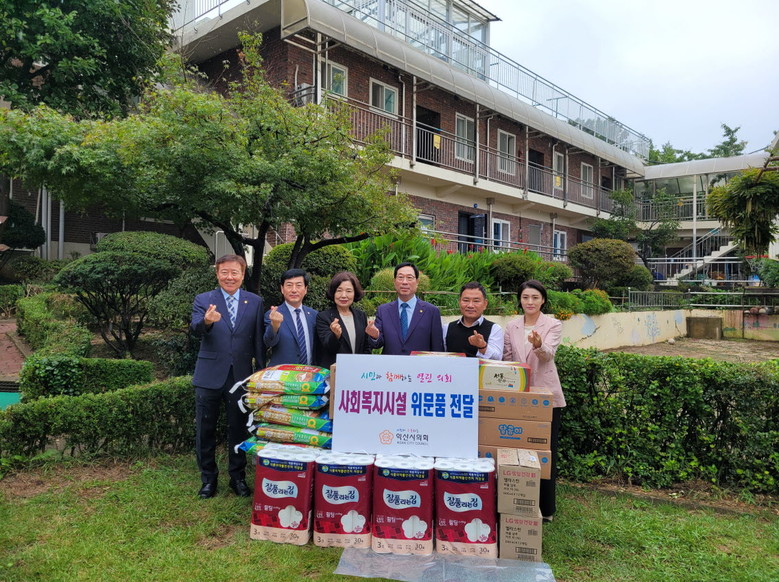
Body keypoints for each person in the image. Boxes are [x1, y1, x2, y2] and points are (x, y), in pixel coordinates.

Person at [190, 254, 265, 499]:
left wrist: (260, 372)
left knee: (239, 429)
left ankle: (237, 477)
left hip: (240, 376)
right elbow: (194, 330)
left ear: (242, 275)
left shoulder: (255, 302)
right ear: (217, 274)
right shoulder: (204, 300)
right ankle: (208, 479)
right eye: (224, 272)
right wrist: (207, 321)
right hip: (209, 375)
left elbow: (258, 340)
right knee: (205, 429)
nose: (229, 277)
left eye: (235, 272)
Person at [503, 279, 566, 522]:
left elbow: (548, 355)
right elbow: (507, 358)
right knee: (519, 448)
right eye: (525, 297)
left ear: (543, 300)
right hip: (519, 395)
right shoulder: (512, 325)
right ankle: (519, 502)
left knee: (545, 451)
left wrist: (539, 345)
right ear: (519, 300)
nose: (530, 302)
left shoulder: (553, 324)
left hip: (545, 395)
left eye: (535, 297)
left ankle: (546, 508)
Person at [374, 262, 444, 355]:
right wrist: (375, 336)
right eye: (400, 277)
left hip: (420, 364)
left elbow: (437, 348)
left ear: (417, 282)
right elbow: (377, 344)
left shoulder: (431, 311)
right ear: (394, 281)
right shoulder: (383, 310)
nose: (404, 282)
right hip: (391, 363)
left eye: (409, 278)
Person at [315, 271, 379, 368]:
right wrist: (335, 336)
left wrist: (373, 336)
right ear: (333, 292)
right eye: (339, 290)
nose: (344, 295)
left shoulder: (361, 315)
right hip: (335, 372)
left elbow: (366, 347)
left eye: (349, 291)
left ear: (355, 293)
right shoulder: (323, 317)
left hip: (358, 370)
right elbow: (328, 348)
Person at [264, 268, 318, 367]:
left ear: (305, 289)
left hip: (309, 372)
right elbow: (269, 342)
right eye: (289, 285)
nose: (294, 290)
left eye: (298, 285)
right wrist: (274, 325)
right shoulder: (273, 315)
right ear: (282, 289)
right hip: (283, 373)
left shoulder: (314, 315)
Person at [442, 282, 503, 359]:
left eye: (476, 301)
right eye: (466, 300)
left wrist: (482, 346)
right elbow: (441, 356)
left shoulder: (494, 329)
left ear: (485, 304)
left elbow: (497, 359)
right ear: (459, 302)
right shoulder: (447, 328)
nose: (470, 305)